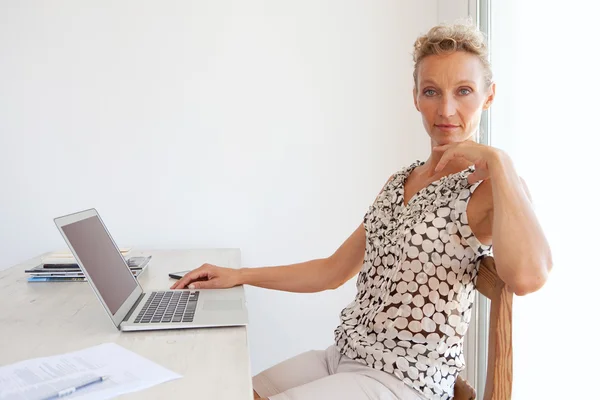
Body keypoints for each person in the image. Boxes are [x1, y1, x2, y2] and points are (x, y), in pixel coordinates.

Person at [171, 21, 552, 400]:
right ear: (416, 97)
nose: (446, 109)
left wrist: (499, 161)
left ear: (489, 96)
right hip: (344, 356)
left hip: (406, 381)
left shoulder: (487, 190)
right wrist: (238, 275)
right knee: (229, 390)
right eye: (432, 91)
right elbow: (332, 271)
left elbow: (528, 278)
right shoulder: (399, 182)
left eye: (464, 91)